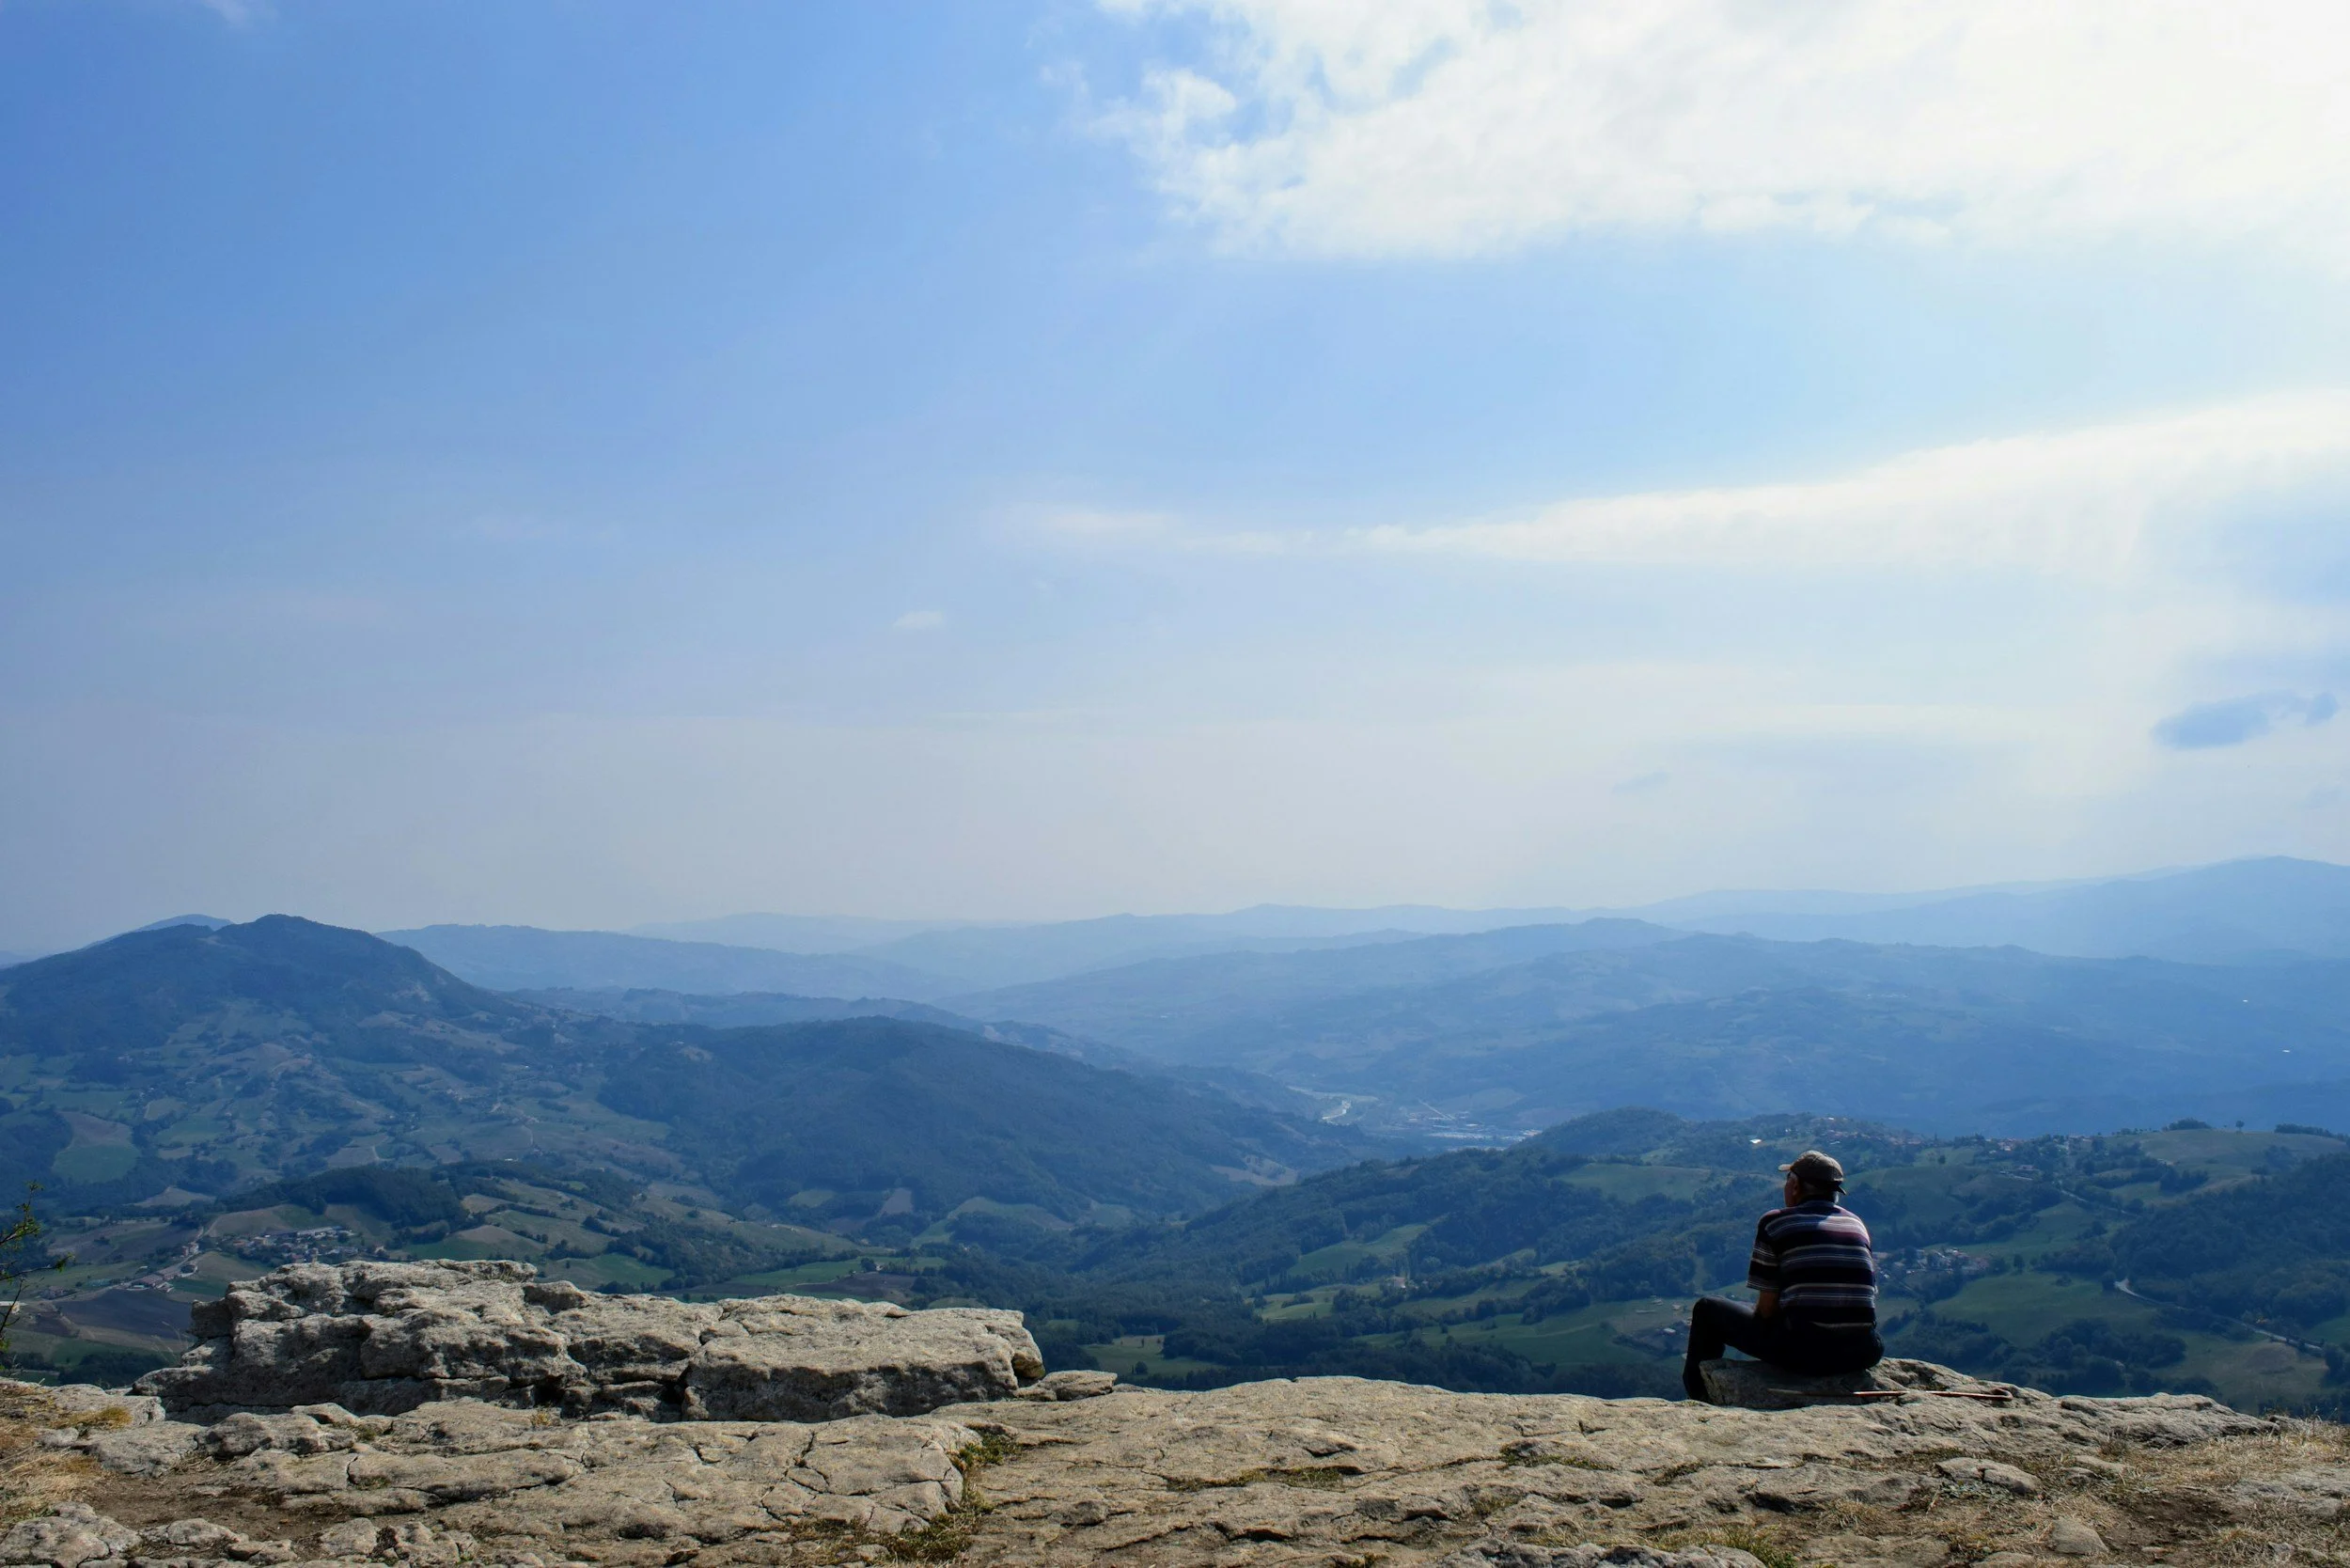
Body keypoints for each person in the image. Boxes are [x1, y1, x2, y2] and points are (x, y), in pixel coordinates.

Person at [1682, 1149, 1883, 1403]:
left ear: (1796, 1185)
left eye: (1788, 1181)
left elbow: (1766, 1311)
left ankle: (1700, 1397)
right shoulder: (1857, 1225)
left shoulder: (1776, 1223)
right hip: (1863, 1352)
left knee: (1708, 1309)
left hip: (1807, 1353)